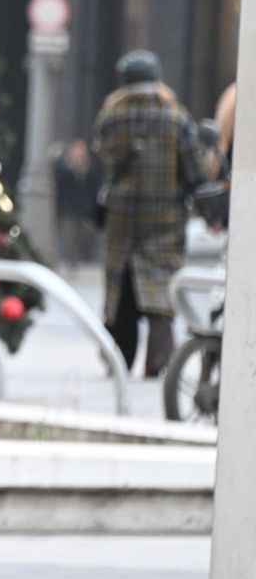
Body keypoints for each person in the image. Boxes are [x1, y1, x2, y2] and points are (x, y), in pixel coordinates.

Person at [94, 50, 209, 378]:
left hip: (122, 218)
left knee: (122, 289)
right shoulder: (175, 116)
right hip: (164, 219)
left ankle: (119, 358)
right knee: (159, 290)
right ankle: (158, 358)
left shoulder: (111, 115)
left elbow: (103, 154)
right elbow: (193, 170)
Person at [51, 139, 101, 265]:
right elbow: (61, 181)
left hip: (85, 209)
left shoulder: (90, 167)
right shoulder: (65, 166)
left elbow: (94, 185)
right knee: (69, 235)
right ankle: (69, 261)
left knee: (83, 236)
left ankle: (78, 260)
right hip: (69, 208)